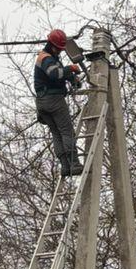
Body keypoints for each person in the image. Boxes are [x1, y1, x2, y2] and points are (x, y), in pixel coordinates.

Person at [34, 29, 83, 176]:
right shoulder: (46, 58)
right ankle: (74, 164)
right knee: (67, 132)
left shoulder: (49, 58)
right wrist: (71, 68)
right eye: (59, 49)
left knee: (56, 133)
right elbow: (55, 74)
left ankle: (65, 167)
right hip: (53, 101)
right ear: (53, 46)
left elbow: (58, 74)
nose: (60, 52)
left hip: (42, 103)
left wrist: (73, 79)